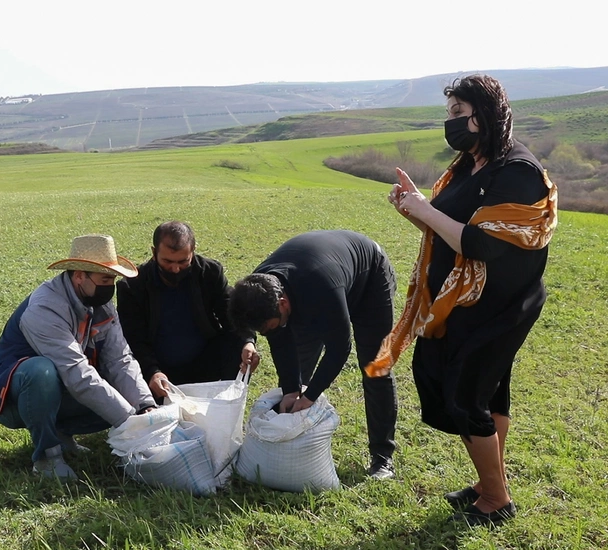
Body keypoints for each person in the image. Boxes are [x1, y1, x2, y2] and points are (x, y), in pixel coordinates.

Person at [365, 74, 557, 526]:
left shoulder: (517, 172)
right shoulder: (469, 164)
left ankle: (496, 500)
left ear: (484, 114)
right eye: (448, 113)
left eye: (458, 113)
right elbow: (452, 236)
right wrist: (416, 208)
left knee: (465, 394)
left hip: (498, 306)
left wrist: (428, 211)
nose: (450, 122)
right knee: (489, 391)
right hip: (462, 300)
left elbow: (484, 245)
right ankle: (490, 482)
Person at [0, 234, 158, 481]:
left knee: (115, 386)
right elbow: (77, 373)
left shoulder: (102, 306)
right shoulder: (44, 308)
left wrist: (145, 407)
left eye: (112, 279)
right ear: (79, 276)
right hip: (15, 400)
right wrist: (129, 420)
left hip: (64, 386)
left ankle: (62, 436)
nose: (110, 287)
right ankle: (46, 457)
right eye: (105, 279)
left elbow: (120, 359)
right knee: (41, 371)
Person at [228, 230, 399, 480]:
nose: (270, 333)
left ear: (283, 303)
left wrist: (309, 397)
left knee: (375, 368)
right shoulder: (259, 289)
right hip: (314, 285)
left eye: (271, 327)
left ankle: (382, 457)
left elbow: (340, 348)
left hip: (368, 278)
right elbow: (280, 341)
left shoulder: (321, 288)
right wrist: (290, 390)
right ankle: (291, 446)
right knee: (298, 368)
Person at [116, 221, 259, 400]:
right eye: (167, 261)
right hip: (160, 372)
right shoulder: (132, 286)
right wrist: (152, 371)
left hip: (205, 363)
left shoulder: (209, 272)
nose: (175, 269)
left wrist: (247, 341)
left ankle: (228, 402)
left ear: (193, 251)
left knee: (236, 345)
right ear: (154, 253)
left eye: (183, 262)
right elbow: (133, 337)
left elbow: (231, 313)